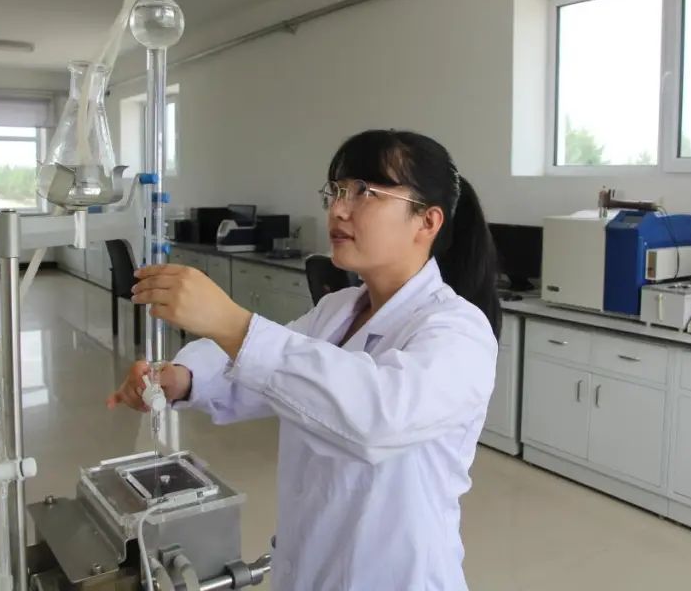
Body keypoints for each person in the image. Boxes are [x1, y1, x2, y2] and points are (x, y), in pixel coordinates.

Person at [108, 129, 500, 590]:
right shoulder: (338, 309)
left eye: (364, 192)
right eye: (336, 190)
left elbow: (378, 417)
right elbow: (265, 375)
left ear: (427, 221)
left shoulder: (458, 330)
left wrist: (232, 322)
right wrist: (182, 377)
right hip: (310, 562)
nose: (339, 209)